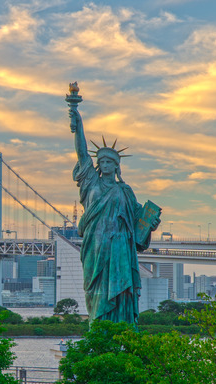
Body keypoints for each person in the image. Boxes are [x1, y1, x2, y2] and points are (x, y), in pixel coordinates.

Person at [70, 99, 159, 324]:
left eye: (110, 161)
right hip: (95, 246)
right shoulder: (91, 182)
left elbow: (139, 221)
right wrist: (77, 121)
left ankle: (122, 332)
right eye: (102, 161)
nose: (106, 164)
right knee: (96, 293)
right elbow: (81, 152)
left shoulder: (125, 191)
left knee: (122, 295)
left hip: (120, 247)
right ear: (97, 165)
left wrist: (150, 225)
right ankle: (97, 331)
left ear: (117, 166)